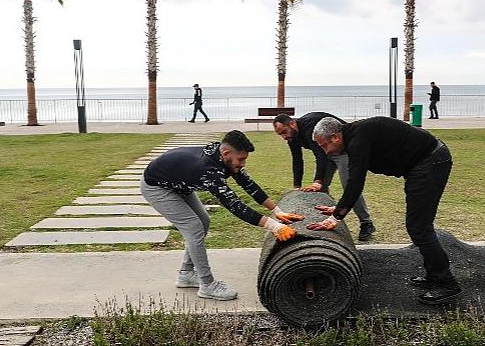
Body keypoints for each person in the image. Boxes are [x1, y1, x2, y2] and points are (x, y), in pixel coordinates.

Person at [308, 116, 460, 305]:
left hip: (431, 162)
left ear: (335, 138)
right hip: (423, 164)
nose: (325, 151)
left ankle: (447, 284)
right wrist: (339, 208)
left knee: (419, 227)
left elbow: (355, 182)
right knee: (418, 226)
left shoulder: (357, 140)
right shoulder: (355, 136)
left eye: (324, 146)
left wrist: (336, 217)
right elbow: (354, 182)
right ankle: (434, 276)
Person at [140, 130, 303, 300]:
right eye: (241, 159)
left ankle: (186, 274)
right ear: (226, 153)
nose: (243, 164)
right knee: (193, 227)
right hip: (157, 187)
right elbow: (235, 206)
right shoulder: (208, 170)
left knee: (203, 220)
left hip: (179, 183)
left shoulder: (224, 157)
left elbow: (248, 184)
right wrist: (274, 226)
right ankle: (207, 285)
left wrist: (277, 211)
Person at [272, 112, 376, 241]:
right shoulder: (292, 137)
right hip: (327, 152)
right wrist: (297, 186)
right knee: (320, 188)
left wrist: (317, 181)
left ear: (292, 123)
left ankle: (366, 223)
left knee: (349, 186)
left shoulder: (309, 127)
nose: (284, 136)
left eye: (284, 131)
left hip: (342, 149)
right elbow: (297, 160)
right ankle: (323, 219)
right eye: (280, 134)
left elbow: (320, 155)